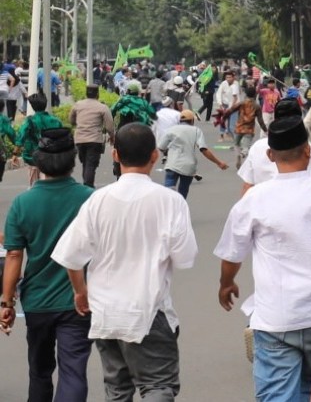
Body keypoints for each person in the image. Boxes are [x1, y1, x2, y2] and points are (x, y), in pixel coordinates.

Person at [214, 115, 311, 402]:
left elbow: (232, 254)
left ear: (270, 155)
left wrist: (226, 283)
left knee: (278, 396)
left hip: (275, 320)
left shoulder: (254, 198)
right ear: (308, 150)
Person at [51, 123, 199, 401]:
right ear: (155, 155)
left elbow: (71, 256)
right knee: (158, 385)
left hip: (105, 311)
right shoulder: (171, 201)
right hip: (149, 308)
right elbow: (185, 257)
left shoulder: (98, 200)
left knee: (117, 389)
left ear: (115, 155)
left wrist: (80, 291)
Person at [1, 128, 94, 402]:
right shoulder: (90, 199)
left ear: (39, 162)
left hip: (37, 301)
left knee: (40, 372)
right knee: (73, 372)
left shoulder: (22, 203)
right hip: (79, 301)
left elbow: (14, 256)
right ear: (73, 160)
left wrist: (6, 303)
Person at [159, 110, 228, 198]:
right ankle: (180, 207)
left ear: (180, 121)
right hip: (188, 167)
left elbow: (161, 147)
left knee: (168, 190)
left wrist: (169, 152)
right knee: (183, 192)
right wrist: (219, 163)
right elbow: (204, 149)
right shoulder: (196, 131)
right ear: (192, 121)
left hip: (172, 165)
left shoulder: (171, 130)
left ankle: (168, 206)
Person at [11, 93, 64, 186]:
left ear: (32, 106)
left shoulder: (30, 121)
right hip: (51, 157)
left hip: (34, 158)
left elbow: (20, 137)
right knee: (50, 184)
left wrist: (15, 154)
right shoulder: (56, 120)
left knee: (34, 185)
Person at [70, 84, 116, 188]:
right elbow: (109, 126)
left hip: (80, 139)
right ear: (98, 94)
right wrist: (112, 136)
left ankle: (87, 184)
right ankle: (88, 187)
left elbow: (71, 120)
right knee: (90, 164)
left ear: (86, 93)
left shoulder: (78, 105)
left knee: (85, 163)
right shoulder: (102, 107)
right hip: (94, 140)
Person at [225, 87, 268, 169]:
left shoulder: (241, 103)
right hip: (249, 129)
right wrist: (265, 130)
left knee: (236, 144)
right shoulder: (257, 106)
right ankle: (243, 154)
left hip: (239, 127)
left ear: (246, 94)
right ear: (255, 94)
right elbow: (260, 120)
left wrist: (224, 118)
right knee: (246, 146)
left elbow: (230, 110)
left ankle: (238, 154)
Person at [215, 71, 240, 141]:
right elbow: (218, 93)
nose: (228, 79)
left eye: (230, 77)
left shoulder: (236, 84)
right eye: (227, 77)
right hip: (225, 104)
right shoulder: (223, 83)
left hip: (234, 106)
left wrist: (231, 108)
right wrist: (220, 104)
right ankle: (221, 136)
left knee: (232, 123)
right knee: (223, 120)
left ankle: (233, 137)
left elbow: (235, 98)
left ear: (233, 78)